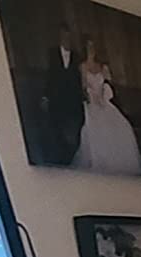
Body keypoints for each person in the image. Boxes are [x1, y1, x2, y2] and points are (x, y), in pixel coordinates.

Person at [71, 36, 141, 176]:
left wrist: (104, 94)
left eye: (92, 47)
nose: (91, 50)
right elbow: (83, 86)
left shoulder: (103, 67)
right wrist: (91, 96)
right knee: (98, 126)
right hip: (92, 102)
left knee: (123, 126)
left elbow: (108, 84)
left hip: (104, 101)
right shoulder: (83, 66)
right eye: (88, 47)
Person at [42, 24, 84, 166]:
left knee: (73, 128)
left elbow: (78, 79)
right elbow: (49, 76)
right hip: (56, 97)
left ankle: (69, 156)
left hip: (72, 98)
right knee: (56, 127)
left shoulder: (76, 56)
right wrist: (45, 96)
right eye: (63, 36)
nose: (66, 39)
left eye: (68, 36)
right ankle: (59, 156)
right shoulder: (52, 53)